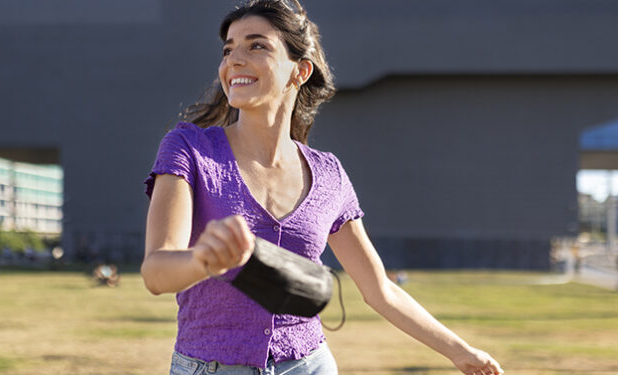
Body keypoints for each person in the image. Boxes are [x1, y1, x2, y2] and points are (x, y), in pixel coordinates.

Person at [141, 1, 505, 374]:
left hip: (309, 365)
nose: (233, 59)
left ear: (299, 71)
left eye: (256, 45)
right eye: (228, 49)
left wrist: (461, 351)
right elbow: (156, 272)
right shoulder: (189, 149)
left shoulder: (328, 175)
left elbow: (379, 289)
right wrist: (203, 260)